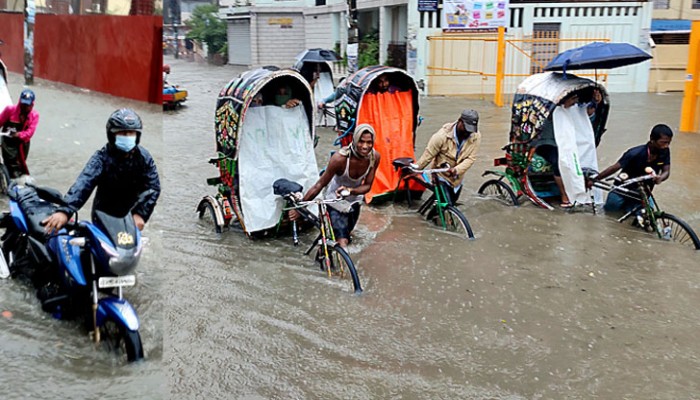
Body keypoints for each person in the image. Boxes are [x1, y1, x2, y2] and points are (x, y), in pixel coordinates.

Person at [42, 108, 161, 234]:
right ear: (112, 135)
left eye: (131, 133)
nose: (128, 137)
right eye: (123, 133)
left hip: (131, 217)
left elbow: (153, 187)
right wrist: (64, 211)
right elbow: (83, 184)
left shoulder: (144, 158)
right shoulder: (101, 158)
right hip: (103, 214)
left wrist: (140, 214)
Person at [289, 124, 380, 249]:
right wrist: (300, 207)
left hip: (354, 200)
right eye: (361, 142)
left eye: (369, 142)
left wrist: (350, 190)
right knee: (341, 240)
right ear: (354, 140)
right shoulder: (339, 159)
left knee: (347, 235)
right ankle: (341, 268)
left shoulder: (374, 157)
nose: (365, 146)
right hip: (334, 201)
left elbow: (368, 186)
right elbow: (320, 184)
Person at [591, 124, 673, 213]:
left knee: (648, 217)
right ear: (652, 139)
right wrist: (594, 180)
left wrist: (660, 178)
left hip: (642, 193)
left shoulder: (665, 152)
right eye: (663, 142)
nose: (666, 146)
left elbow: (666, 171)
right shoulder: (634, 153)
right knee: (610, 213)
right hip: (622, 191)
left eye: (668, 143)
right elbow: (614, 168)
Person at [414, 109, 481, 205]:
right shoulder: (441, 136)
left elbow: (471, 158)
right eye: (466, 128)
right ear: (460, 121)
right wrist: (416, 170)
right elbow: (428, 156)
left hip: (457, 177)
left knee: (450, 203)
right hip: (441, 175)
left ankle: (429, 214)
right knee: (447, 205)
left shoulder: (475, 136)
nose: (468, 132)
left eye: (471, 130)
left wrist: (456, 170)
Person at [533, 92, 579, 208]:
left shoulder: (571, 111)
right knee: (559, 161)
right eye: (573, 99)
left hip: (562, 143)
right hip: (545, 144)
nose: (575, 103)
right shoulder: (550, 110)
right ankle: (564, 195)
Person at [0, 89, 39, 181]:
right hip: (8, 144)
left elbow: (30, 132)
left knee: (20, 166)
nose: (25, 107)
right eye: (23, 104)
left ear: (32, 104)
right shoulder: (9, 110)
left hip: (22, 145)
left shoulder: (34, 115)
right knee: (11, 166)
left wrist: (18, 134)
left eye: (27, 105)